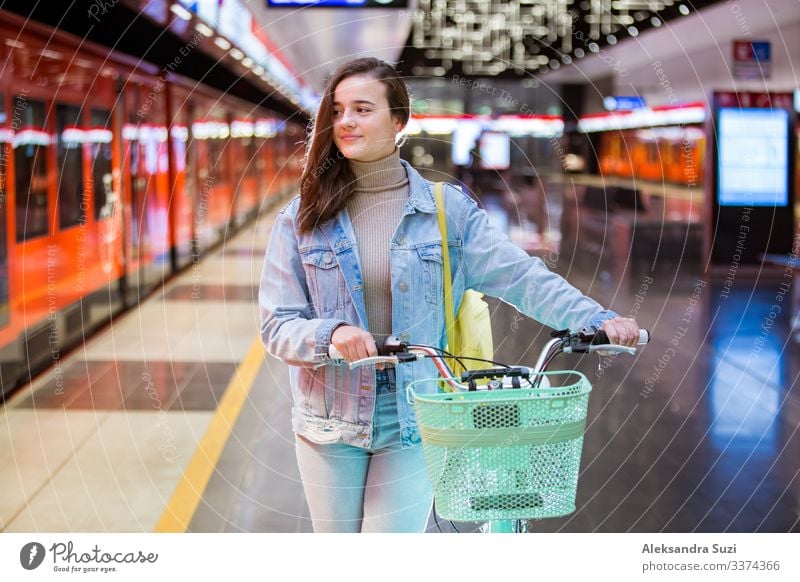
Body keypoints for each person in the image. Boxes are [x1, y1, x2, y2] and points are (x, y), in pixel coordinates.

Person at [259, 57, 641, 533]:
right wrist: (329, 334)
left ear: (399, 121)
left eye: (362, 109)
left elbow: (522, 276)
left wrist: (596, 317)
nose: (346, 122)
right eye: (337, 111)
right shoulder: (301, 218)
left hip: (415, 418)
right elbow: (277, 325)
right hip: (328, 424)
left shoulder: (446, 212)